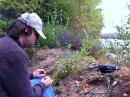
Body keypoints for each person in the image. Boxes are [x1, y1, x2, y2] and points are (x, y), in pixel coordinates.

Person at [0, 12, 54, 97]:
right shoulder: (15, 53)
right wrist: (43, 84)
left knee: (37, 80)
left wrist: (32, 75)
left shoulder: (4, 42)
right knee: (45, 86)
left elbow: (10, 78)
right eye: (37, 35)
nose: (36, 40)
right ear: (27, 30)